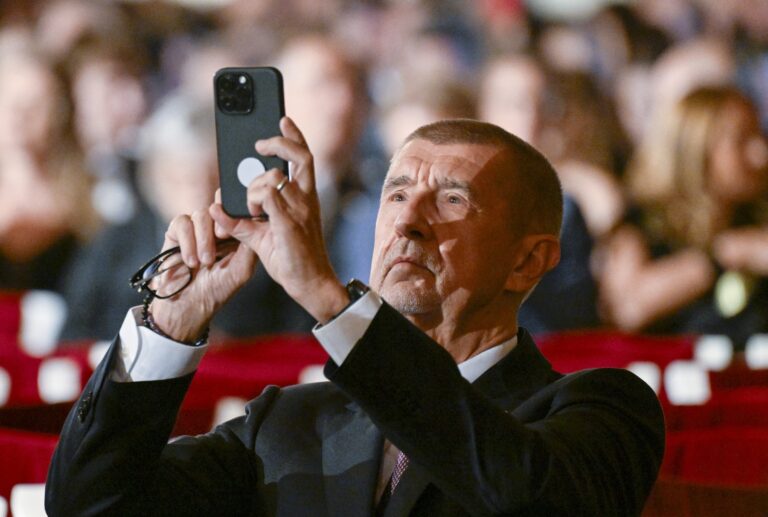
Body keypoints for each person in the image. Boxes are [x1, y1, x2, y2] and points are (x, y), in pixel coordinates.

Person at [46, 118, 664, 515]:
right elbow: (91, 506)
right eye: (395, 194)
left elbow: (524, 497)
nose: (408, 221)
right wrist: (171, 325)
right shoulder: (286, 423)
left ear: (529, 261)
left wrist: (328, 299)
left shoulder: (601, 408)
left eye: (452, 199)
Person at [600, 86, 768, 345]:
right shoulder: (645, 222)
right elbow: (628, 309)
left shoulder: (758, 217)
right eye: (742, 140)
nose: (760, 153)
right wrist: (721, 256)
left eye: (760, 135)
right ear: (695, 149)